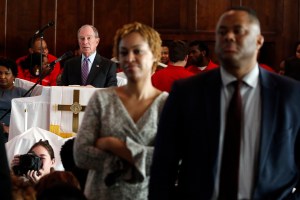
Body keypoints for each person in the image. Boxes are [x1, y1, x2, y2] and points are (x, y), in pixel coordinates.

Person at [149, 6, 300, 200]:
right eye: (222, 32)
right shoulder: (186, 92)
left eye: (238, 31)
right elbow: (163, 164)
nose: (228, 36)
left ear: (259, 40)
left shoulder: (291, 95)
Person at [73, 22, 168, 200]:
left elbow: (170, 161)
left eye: (137, 51)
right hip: (100, 195)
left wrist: (112, 145)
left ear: (155, 55)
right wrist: (140, 157)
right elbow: (81, 155)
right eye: (124, 52)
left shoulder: (165, 104)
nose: (129, 58)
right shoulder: (101, 99)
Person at [0, 57, 27, 141]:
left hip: (14, 133)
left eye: (7, 73)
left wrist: (11, 129)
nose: (2, 76)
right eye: (0, 73)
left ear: (14, 75)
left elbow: (27, 117)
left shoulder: (23, 93)